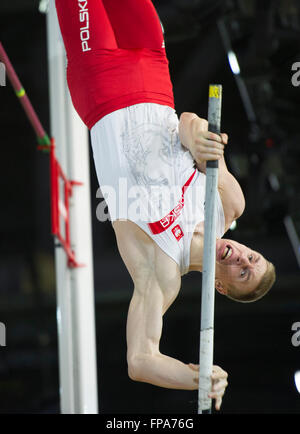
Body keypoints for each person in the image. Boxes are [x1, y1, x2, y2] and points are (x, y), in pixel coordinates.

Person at [55, 0, 276, 411]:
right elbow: (192, 121)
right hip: (153, 71)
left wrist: (196, 379)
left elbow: (140, 362)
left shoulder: (161, 274)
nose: (243, 257)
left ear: (220, 288)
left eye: (243, 272)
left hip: (102, 88)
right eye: (254, 257)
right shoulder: (228, 204)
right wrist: (195, 137)